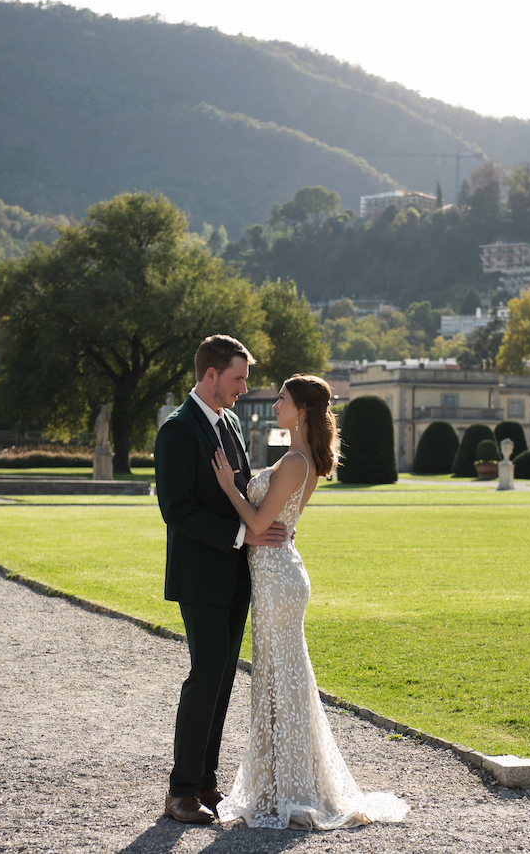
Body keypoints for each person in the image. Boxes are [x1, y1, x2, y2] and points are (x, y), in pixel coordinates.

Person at [211, 374, 410, 830]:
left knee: (284, 681)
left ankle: (298, 789)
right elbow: (278, 523)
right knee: (278, 681)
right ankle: (282, 785)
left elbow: (262, 521)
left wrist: (229, 487)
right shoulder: (299, 459)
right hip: (275, 575)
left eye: (280, 398)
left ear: (300, 409)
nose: (274, 404)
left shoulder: (298, 462)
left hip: (278, 581)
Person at [155, 334, 287, 824]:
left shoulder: (229, 421)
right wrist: (243, 535)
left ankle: (207, 783)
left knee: (224, 679)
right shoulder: (177, 430)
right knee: (205, 675)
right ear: (210, 375)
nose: (242, 388)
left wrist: (267, 521)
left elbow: (242, 490)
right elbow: (177, 510)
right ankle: (180, 790)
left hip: (237, 575)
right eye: (237, 378)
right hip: (201, 578)